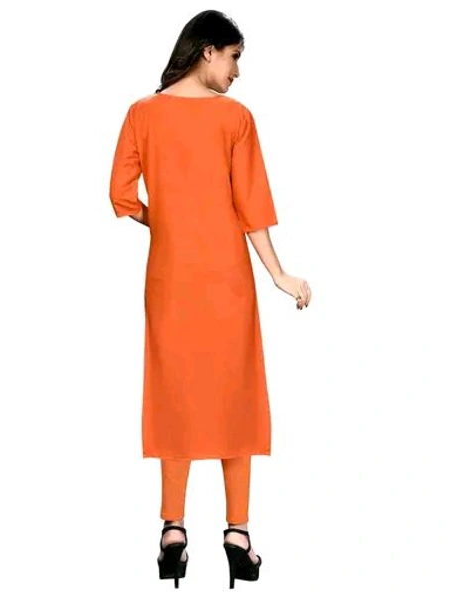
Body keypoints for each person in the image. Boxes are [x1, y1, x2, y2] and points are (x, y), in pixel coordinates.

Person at [108, 9, 311, 589]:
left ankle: (172, 532)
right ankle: (237, 534)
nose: (237, 72)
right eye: (234, 57)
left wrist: (166, 222)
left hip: (169, 280)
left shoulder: (141, 114)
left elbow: (121, 195)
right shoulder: (234, 119)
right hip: (227, 279)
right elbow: (252, 207)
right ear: (208, 51)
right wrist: (279, 274)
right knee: (234, 392)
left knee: (173, 392)